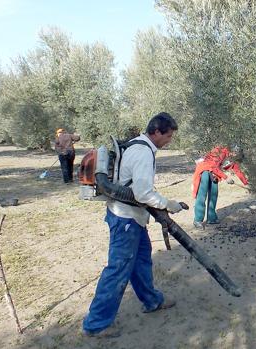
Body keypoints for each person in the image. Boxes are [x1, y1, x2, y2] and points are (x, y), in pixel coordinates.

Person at [82, 112, 184, 338]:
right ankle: (95, 325)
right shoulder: (143, 152)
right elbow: (143, 193)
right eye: (168, 136)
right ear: (157, 131)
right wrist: (169, 204)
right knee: (118, 269)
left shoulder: (136, 145)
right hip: (126, 219)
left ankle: (151, 301)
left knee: (141, 261)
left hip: (129, 217)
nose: (169, 141)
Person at [192, 144, 249, 229]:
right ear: (234, 151)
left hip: (215, 174)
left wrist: (246, 183)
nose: (236, 157)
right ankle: (197, 220)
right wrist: (225, 177)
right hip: (204, 171)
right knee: (202, 196)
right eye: (236, 154)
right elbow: (212, 166)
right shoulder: (219, 150)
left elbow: (237, 170)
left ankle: (211, 218)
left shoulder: (231, 158)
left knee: (213, 196)